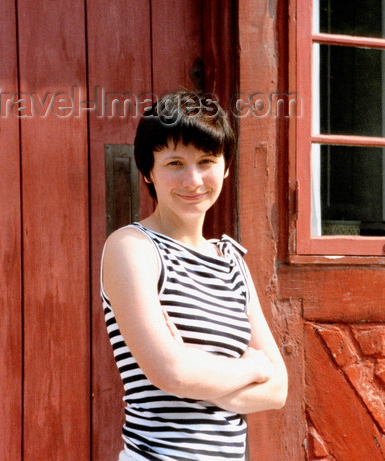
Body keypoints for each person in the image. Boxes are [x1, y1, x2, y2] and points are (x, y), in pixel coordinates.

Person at [100, 91, 288, 461]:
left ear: (226, 166)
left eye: (206, 161)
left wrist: (191, 371)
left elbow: (278, 390)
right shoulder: (132, 248)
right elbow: (171, 371)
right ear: (148, 171)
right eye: (174, 163)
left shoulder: (232, 261)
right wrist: (248, 368)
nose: (193, 179)